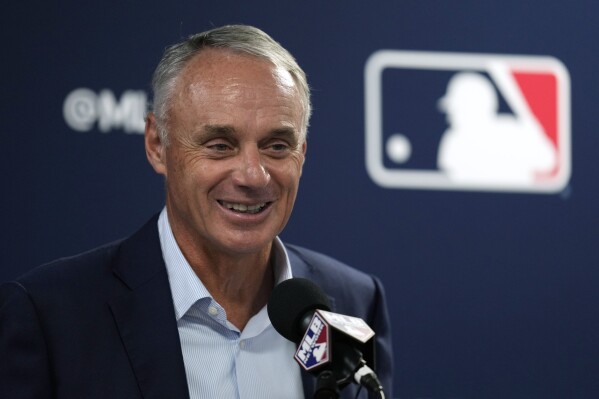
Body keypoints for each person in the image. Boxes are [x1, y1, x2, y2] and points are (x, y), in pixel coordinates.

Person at [0, 25, 393, 398]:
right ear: (157, 144)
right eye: (220, 145)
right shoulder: (49, 317)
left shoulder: (354, 301)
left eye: (276, 145)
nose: (253, 176)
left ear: (302, 154)